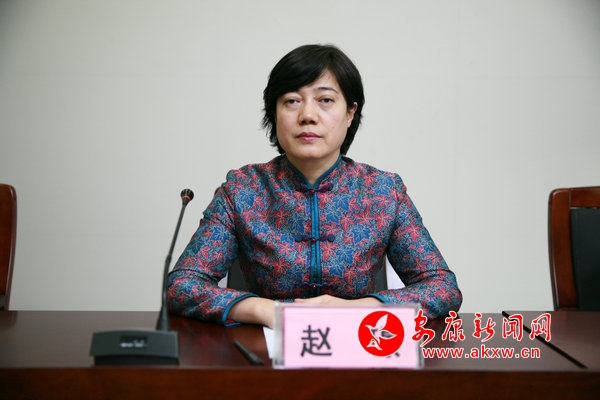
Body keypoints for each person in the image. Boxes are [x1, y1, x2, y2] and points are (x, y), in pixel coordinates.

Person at [167, 44, 462, 328]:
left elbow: (442, 288)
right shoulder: (242, 190)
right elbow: (181, 285)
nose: (307, 115)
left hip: (358, 346)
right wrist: (266, 310)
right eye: (292, 101)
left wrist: (358, 309)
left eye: (325, 100)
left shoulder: (383, 192)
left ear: (350, 113)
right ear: (274, 113)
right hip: (264, 349)